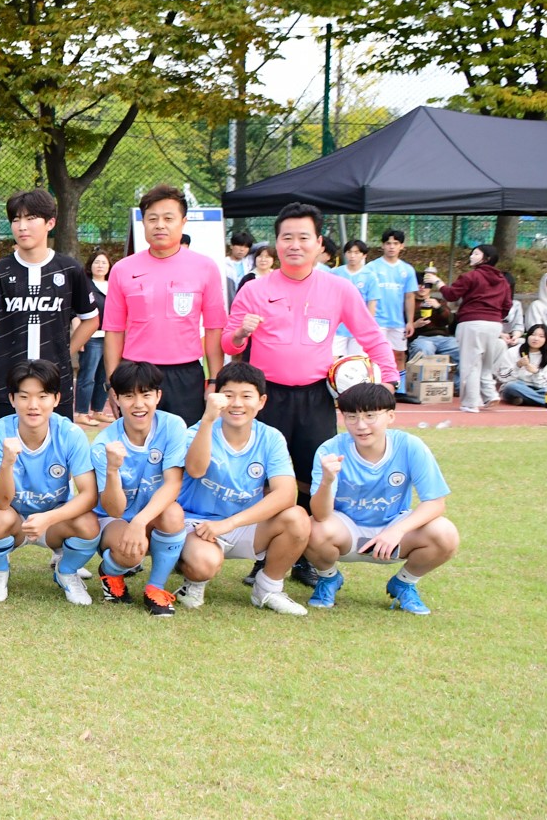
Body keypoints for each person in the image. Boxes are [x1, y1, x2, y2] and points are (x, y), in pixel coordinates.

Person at [225, 203, 398, 509]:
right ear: (276, 242)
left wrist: (390, 381)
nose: (295, 245)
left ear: (319, 243)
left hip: (316, 397)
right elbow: (229, 344)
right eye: (287, 237)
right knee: (264, 474)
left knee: (315, 471)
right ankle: (268, 550)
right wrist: (240, 333)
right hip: (267, 397)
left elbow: (371, 335)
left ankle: (307, 548)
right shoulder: (254, 290)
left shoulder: (339, 288)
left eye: (304, 237)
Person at [305, 383, 459, 614]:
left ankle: (404, 583)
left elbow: (435, 502)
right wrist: (327, 481)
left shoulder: (410, 446)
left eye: (370, 416)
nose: (361, 425)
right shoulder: (330, 449)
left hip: (393, 526)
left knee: (445, 533)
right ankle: (329, 578)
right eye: (352, 417)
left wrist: (397, 531)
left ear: (390, 416)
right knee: (310, 528)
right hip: (346, 528)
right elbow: (321, 514)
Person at [171, 362, 311, 616]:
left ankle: (268, 589)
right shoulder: (197, 431)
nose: (237, 403)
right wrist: (207, 421)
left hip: (241, 525)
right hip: (197, 524)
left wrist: (230, 524)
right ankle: (192, 583)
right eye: (228, 395)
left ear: (261, 401)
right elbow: (195, 470)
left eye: (246, 396)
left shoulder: (271, 437)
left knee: (297, 518)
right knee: (204, 565)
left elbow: (286, 494)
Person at [0, 360, 101, 606]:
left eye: (42, 396)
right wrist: (7, 463)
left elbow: (89, 495)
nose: (33, 405)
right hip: (13, 519)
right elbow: (1, 501)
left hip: (54, 522)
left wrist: (48, 519)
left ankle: (66, 571)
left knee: (88, 523)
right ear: (12, 399)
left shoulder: (70, 434)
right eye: (24, 396)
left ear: (56, 399)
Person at [100, 184, 225, 425]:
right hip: (135, 372)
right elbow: (114, 331)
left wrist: (215, 382)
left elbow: (214, 329)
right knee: (138, 448)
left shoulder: (205, 268)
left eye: (169, 218)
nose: (160, 225)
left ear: (183, 222)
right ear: (143, 222)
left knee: (185, 451)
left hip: (186, 375)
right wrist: (113, 383)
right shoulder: (123, 269)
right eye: (152, 218)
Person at [0, 189, 100, 418]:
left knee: (56, 451)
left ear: (50, 223)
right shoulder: (0, 270)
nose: (22, 226)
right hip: (7, 384)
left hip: (54, 385)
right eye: (15, 219)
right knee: (6, 450)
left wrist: (65, 352)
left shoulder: (69, 268)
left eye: (30, 218)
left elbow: (91, 319)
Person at [89, 361, 190, 617]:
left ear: (158, 396)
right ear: (116, 398)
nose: (138, 404)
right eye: (129, 396)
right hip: (113, 519)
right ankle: (110, 572)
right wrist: (112, 470)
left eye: (146, 395)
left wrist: (141, 521)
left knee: (173, 513)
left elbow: (173, 483)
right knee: (132, 553)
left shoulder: (173, 426)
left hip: (150, 515)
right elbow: (113, 508)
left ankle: (155, 589)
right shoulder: (104, 444)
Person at [438, 242, 512, 413]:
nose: (471, 256)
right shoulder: (502, 281)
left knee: (470, 364)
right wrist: (496, 317)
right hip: (494, 324)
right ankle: (489, 393)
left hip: (472, 323)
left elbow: (451, 294)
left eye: (476, 254)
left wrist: (438, 282)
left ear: (486, 259)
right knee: (486, 364)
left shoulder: (471, 276)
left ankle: (470, 403)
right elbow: (507, 305)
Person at [371, 230, 420, 384]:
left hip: (397, 321)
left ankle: (399, 387)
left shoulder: (407, 269)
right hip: (378, 320)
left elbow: (409, 296)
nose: (391, 247)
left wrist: (409, 321)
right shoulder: (372, 267)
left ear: (402, 246)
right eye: (388, 243)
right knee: (377, 355)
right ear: (382, 245)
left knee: (399, 354)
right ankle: (376, 386)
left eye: (395, 243)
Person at [73, 252, 112, 423]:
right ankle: (82, 413)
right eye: (97, 262)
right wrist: (79, 338)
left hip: (110, 337)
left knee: (104, 376)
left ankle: (98, 410)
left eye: (104, 263)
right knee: (87, 376)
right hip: (91, 337)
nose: (100, 265)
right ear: (90, 265)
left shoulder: (113, 286)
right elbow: (75, 313)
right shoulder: (85, 285)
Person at [499, 324, 547, 406]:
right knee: (511, 386)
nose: (536, 339)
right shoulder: (513, 352)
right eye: (533, 335)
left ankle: (528, 399)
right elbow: (503, 377)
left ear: (546, 340)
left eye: (541, 336)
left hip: (540, 387)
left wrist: (536, 372)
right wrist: (517, 366)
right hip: (519, 386)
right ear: (527, 337)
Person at [221, 229, 254, 303]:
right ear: (231, 246)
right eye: (239, 245)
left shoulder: (250, 261)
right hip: (229, 300)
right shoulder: (223, 263)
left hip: (247, 300)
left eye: (246, 247)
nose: (242, 249)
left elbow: (265, 244)